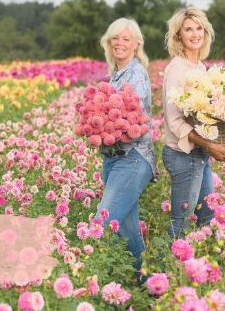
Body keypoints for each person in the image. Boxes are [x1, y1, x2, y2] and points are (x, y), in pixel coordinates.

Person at [162, 7, 225, 239]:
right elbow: (175, 122)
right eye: (188, 29)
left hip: (199, 152)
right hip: (182, 154)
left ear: (205, 32)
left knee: (207, 217)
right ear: (178, 35)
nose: (195, 34)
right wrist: (210, 146)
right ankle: (164, 270)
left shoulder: (200, 68)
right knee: (180, 222)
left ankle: (201, 268)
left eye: (199, 28)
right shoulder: (177, 69)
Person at [95, 18, 157, 274]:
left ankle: (89, 275)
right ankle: (150, 287)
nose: (119, 43)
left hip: (132, 158)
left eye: (126, 39)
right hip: (114, 158)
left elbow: (133, 117)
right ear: (109, 42)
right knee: (130, 232)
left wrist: (102, 123)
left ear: (136, 44)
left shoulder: (136, 73)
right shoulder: (117, 74)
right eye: (115, 38)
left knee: (103, 220)